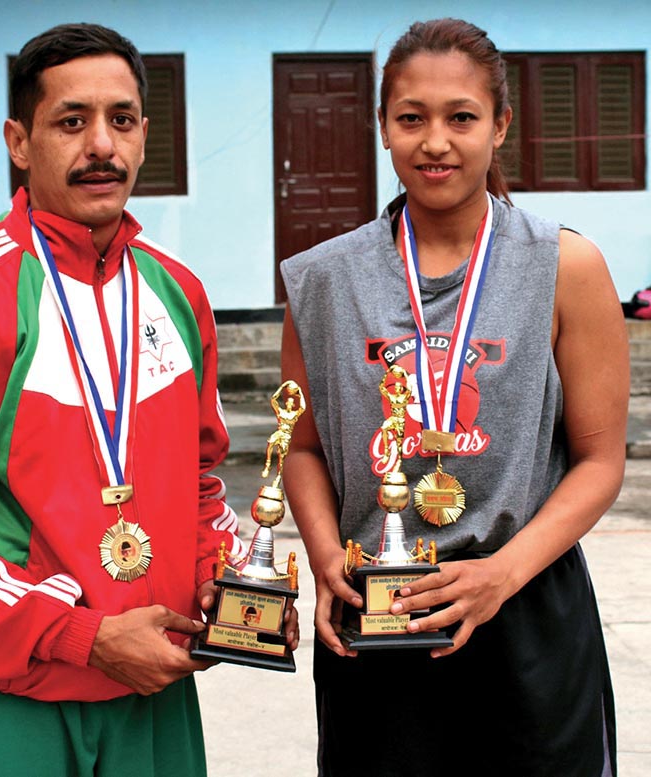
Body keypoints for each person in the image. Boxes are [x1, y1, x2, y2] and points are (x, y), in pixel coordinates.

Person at [0, 23, 297, 777]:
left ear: (143, 136)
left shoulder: (177, 292)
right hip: (20, 691)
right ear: (19, 142)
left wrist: (232, 586)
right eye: (72, 122)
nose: (102, 145)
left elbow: (200, 485)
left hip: (156, 686)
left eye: (121, 120)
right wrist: (81, 636)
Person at [280, 18, 626, 777]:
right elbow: (300, 446)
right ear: (383, 127)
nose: (435, 141)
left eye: (461, 117)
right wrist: (326, 552)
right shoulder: (323, 279)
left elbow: (601, 461)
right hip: (375, 614)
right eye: (412, 118)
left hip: (525, 606)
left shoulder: (565, 266)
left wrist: (503, 572)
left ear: (499, 126)